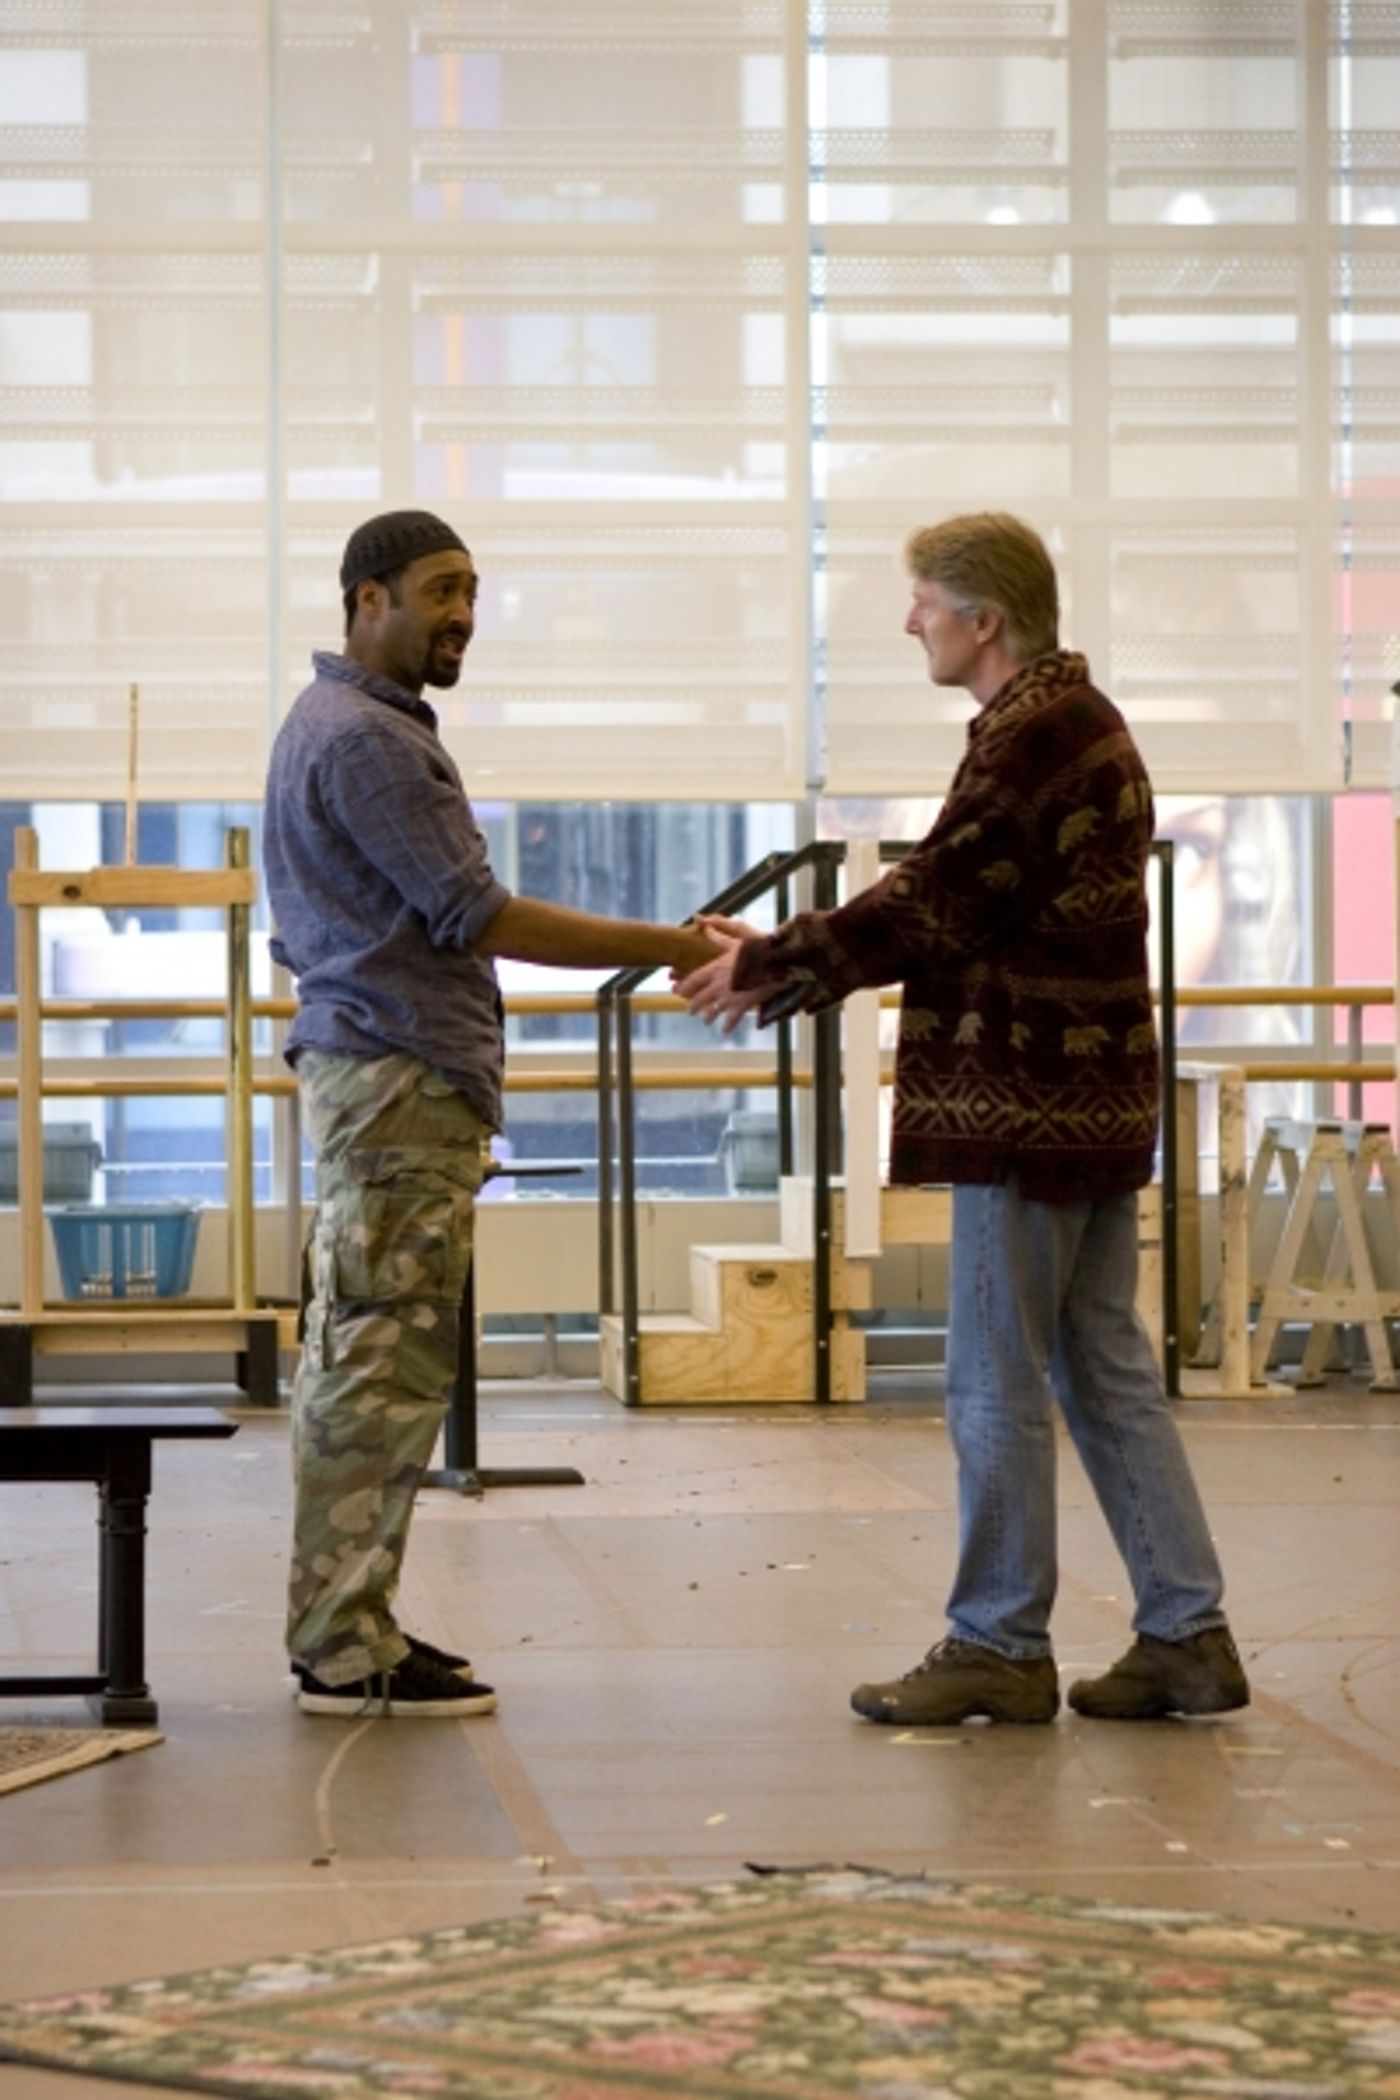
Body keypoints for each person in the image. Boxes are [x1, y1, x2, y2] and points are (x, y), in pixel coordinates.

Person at [678, 511, 1249, 1727]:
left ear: (982, 621)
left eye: (923, 604)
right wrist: (784, 957)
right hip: (1083, 1101)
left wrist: (779, 958)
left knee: (993, 1375)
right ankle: (1184, 1631)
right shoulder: (1063, 723)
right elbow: (952, 899)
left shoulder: (1038, 734)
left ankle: (997, 1638)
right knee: (1101, 1368)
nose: (908, 624)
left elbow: (937, 897)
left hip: (1025, 1108)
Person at [264, 509, 717, 1720]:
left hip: (384, 1077)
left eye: (472, 591)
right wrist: (677, 945)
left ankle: (340, 1627)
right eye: (438, 590)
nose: (462, 614)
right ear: (368, 600)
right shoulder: (366, 740)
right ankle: (343, 1647)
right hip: (396, 1081)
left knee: (365, 1355)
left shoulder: (344, 727)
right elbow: (479, 914)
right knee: (377, 1366)